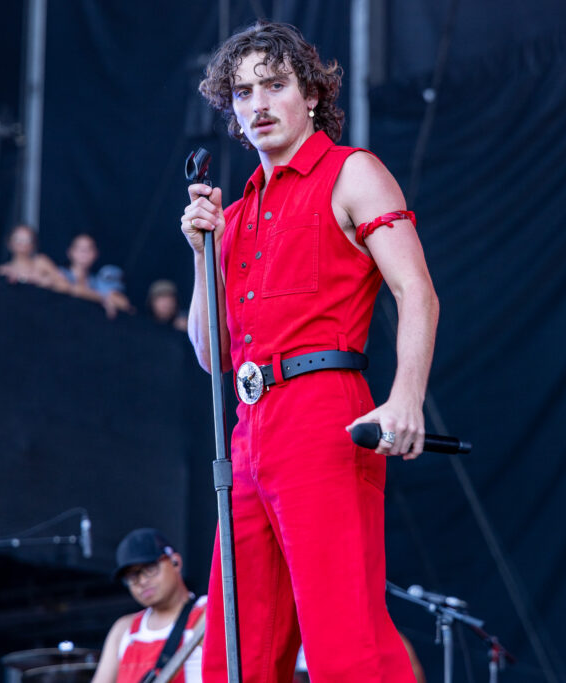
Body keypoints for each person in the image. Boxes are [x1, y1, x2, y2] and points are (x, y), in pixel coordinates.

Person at [179, 21, 439, 683]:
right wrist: (203, 257)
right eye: (243, 93)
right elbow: (212, 357)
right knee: (235, 653)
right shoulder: (235, 215)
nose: (258, 104)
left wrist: (406, 397)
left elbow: (416, 291)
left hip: (324, 414)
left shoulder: (353, 172)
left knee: (343, 642)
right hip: (249, 430)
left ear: (313, 95)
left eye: (274, 85)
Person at [92, 528, 207, 683]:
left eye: (150, 568)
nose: (142, 581)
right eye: (132, 576)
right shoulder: (123, 629)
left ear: (176, 562)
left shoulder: (208, 613)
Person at [60, 232, 133, 319]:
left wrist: (107, 298)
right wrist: (101, 299)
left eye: (89, 248)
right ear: (69, 252)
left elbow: (123, 303)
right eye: (79, 248)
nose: (84, 252)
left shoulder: (97, 281)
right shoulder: (60, 273)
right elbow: (66, 287)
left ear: (96, 254)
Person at [0, 224, 70, 292]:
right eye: (18, 239)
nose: (22, 244)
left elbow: (65, 286)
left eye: (27, 240)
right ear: (9, 243)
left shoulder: (41, 262)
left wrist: (46, 282)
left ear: (33, 244)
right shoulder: (3, 270)